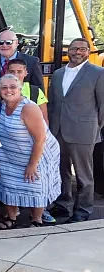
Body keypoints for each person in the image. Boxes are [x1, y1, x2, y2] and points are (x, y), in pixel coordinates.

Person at [0, 75, 61, 229]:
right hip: (9, 155)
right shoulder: (2, 105)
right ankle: (12, 218)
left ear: (20, 88)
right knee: (8, 185)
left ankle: (36, 219)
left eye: (12, 87)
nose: (8, 90)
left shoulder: (28, 108)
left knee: (35, 186)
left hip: (36, 153)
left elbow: (40, 139)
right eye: (4, 87)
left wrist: (32, 164)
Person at [48, 38, 104, 223]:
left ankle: (83, 210)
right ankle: (63, 205)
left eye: (82, 49)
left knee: (84, 175)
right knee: (61, 171)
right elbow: (54, 103)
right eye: (73, 49)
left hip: (83, 130)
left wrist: (95, 127)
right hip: (58, 130)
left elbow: (102, 105)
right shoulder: (57, 74)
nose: (77, 52)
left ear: (88, 52)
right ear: (68, 51)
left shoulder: (98, 73)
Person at [7, 59, 48, 124]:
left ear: (25, 73)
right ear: (7, 73)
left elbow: (44, 119)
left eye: (19, 72)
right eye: (12, 72)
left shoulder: (35, 92)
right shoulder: (2, 92)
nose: (15, 75)